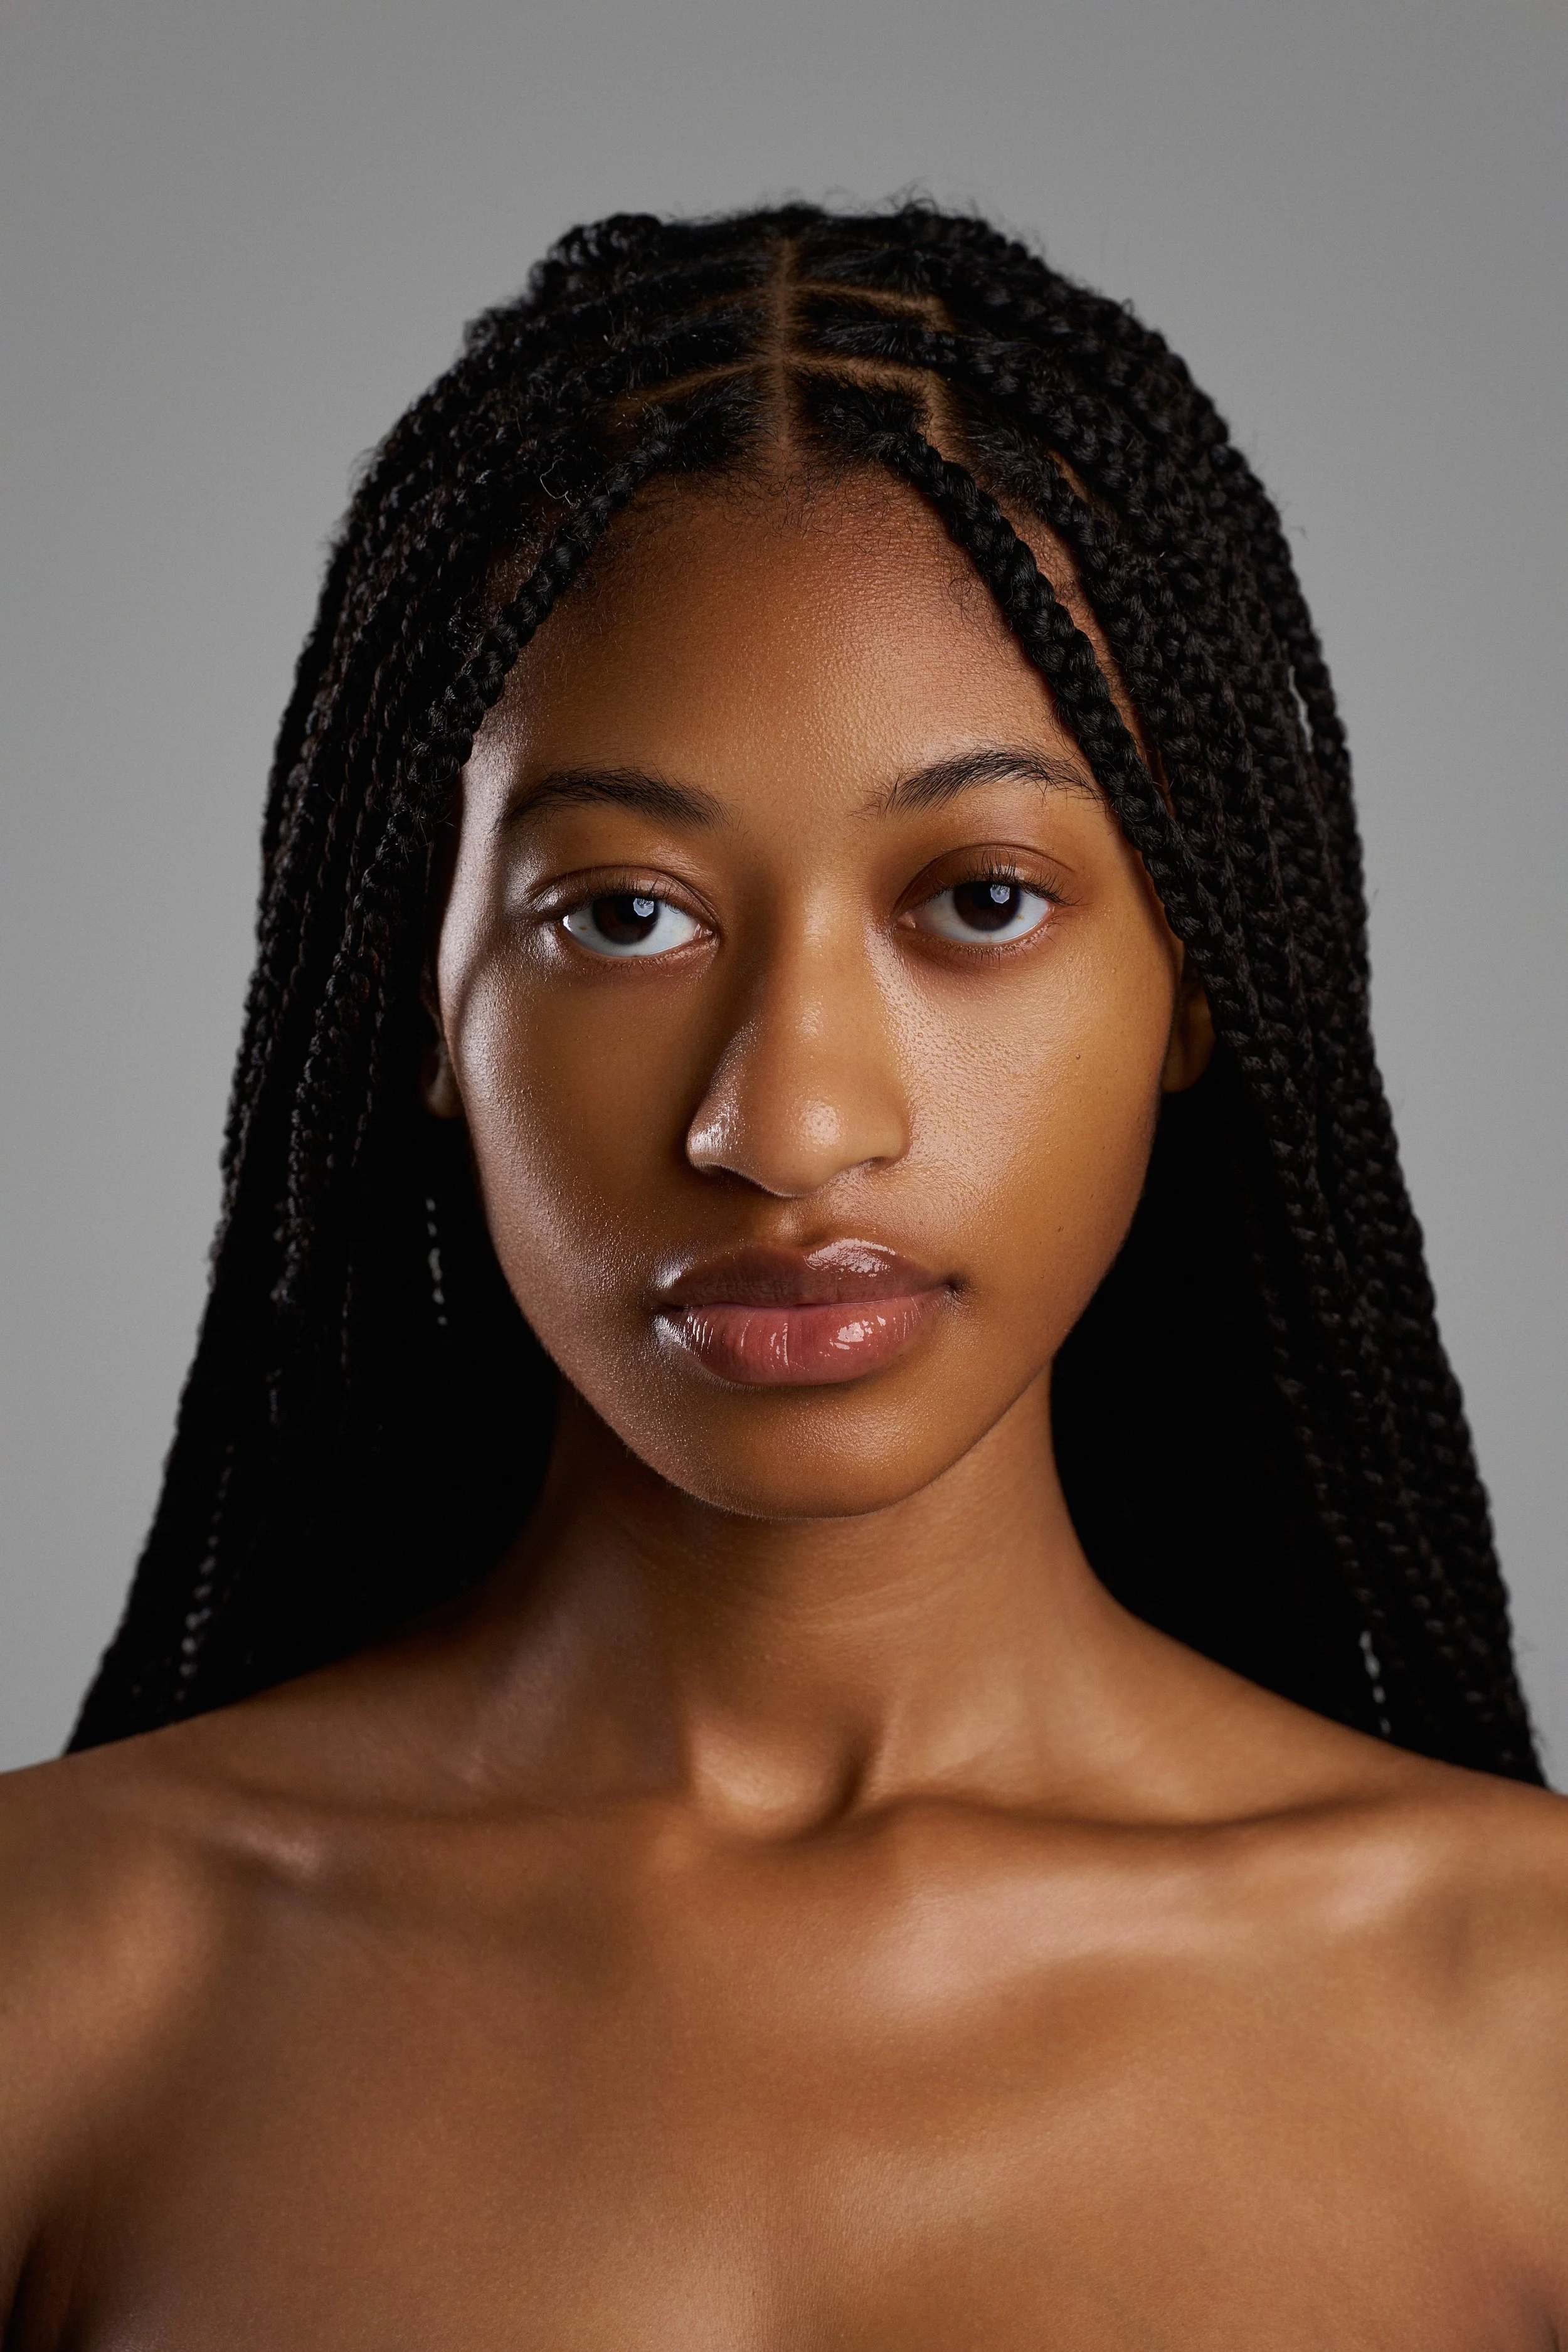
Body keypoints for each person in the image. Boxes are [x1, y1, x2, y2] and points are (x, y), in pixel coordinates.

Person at [2, 201, 1564, 2346]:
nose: (787, 1122)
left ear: (1197, 976)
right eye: (622, 916)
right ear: (420, 1000)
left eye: (982, 899)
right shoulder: (56, 1984)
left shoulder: (1526, 2028)